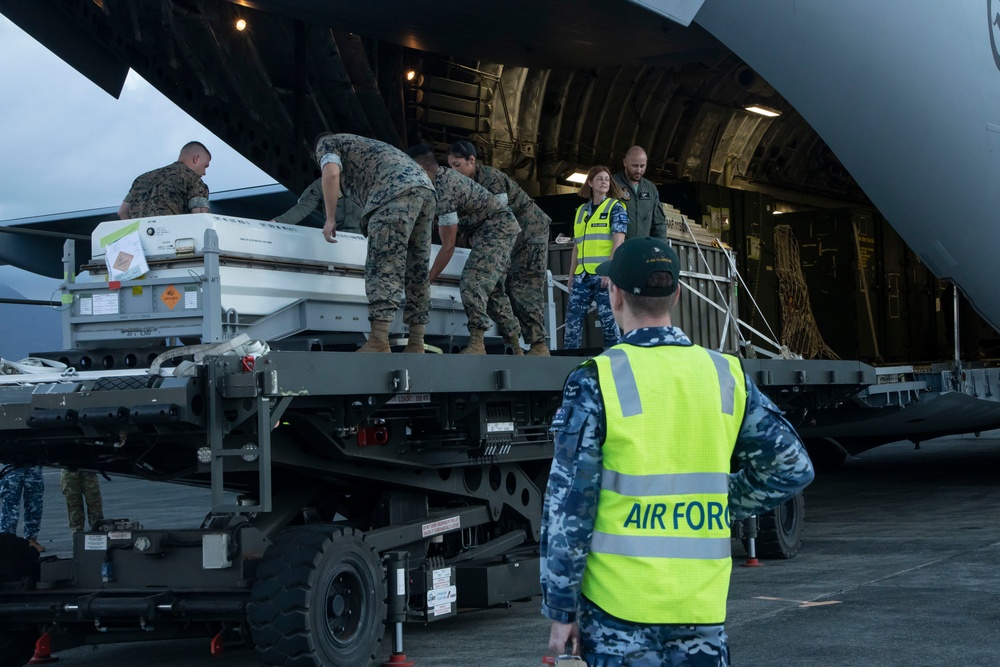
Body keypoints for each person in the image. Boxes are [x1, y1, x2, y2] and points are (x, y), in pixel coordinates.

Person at [540, 237, 815, 666]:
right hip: (700, 606)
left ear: (613, 294)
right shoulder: (726, 373)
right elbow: (792, 467)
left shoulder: (596, 380)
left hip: (618, 609)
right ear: (677, 295)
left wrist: (560, 608)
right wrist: (721, 502)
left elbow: (570, 504)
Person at [314, 133, 436, 353]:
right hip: (426, 190)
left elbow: (331, 173)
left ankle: (379, 340)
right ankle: (417, 342)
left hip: (393, 192)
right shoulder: (366, 145)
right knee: (417, 267)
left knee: (383, 264)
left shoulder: (327, 143)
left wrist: (330, 218)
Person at [407, 144, 521, 354]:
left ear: (421, 169)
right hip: (492, 229)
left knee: (473, 282)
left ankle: (477, 344)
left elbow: (448, 246)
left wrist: (427, 279)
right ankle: (516, 346)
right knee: (494, 290)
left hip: (497, 228)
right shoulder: (438, 184)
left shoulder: (444, 190)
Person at [447, 140, 552, 356]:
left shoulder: (490, 179)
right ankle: (515, 345)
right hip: (506, 237)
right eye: (450, 166)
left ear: (472, 161)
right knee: (495, 287)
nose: (453, 171)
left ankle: (538, 345)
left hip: (528, 233)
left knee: (523, 286)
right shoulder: (462, 187)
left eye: (457, 165)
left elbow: (499, 218)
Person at [563, 165, 628, 350]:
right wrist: (571, 274)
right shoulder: (581, 211)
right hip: (582, 275)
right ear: (590, 182)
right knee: (572, 323)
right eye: (599, 178)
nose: (604, 182)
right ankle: (569, 363)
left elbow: (619, 241)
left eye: (607, 179)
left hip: (604, 276)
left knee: (609, 324)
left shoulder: (616, 208)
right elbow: (577, 245)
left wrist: (610, 270)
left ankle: (615, 362)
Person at [118, 141, 212, 219]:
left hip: (139, 239)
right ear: (196, 158)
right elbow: (201, 217)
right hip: (172, 237)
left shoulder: (141, 179)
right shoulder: (193, 180)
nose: (204, 173)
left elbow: (122, 212)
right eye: (205, 166)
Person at [612, 146, 667, 242]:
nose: (639, 170)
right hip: (618, 248)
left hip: (642, 249)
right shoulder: (612, 184)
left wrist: (660, 248)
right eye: (635, 166)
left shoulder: (651, 189)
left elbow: (659, 224)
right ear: (625, 162)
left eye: (642, 166)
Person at [273, 177, 363, 233]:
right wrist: (274, 224)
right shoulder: (322, 184)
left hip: (369, 240)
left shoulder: (370, 182)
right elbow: (302, 208)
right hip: (337, 239)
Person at [0, 465, 45, 552]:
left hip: (34, 464)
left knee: (35, 504)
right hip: (11, 464)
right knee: (10, 505)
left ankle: (31, 539)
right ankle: (7, 541)